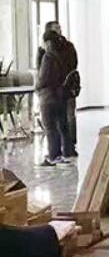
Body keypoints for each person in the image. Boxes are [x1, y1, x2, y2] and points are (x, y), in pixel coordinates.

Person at [36, 21, 79, 161]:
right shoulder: (57, 53)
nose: (59, 31)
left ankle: (56, 154)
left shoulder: (50, 55)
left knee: (53, 126)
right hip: (61, 92)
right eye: (56, 29)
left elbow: (43, 76)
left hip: (51, 94)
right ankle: (67, 151)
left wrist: (37, 86)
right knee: (63, 123)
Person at [35, 31, 70, 166]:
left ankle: (53, 156)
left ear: (48, 42)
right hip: (59, 96)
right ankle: (58, 155)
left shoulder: (48, 57)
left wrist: (37, 86)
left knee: (50, 127)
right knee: (57, 127)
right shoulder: (60, 55)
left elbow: (43, 78)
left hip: (48, 97)